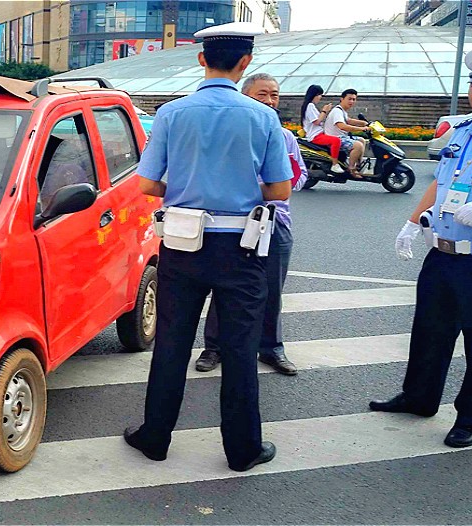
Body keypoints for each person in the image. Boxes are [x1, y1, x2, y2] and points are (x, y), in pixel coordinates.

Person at [124, 22, 292, 472]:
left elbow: (145, 184)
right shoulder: (263, 117)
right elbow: (280, 190)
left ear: (201, 59)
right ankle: (242, 450)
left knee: (172, 344)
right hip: (242, 247)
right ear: (245, 63)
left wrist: (187, 187)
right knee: (239, 349)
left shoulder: (171, 113)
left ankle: (154, 437)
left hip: (183, 243)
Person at [371, 46, 472, 449]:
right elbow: (441, 181)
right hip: (443, 253)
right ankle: (419, 397)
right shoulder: (464, 130)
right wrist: (412, 220)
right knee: (429, 332)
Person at [194, 72, 308, 376]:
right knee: (224, 285)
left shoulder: (285, 137)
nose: (270, 100)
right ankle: (214, 347)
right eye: (263, 94)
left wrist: (258, 187)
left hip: (275, 221)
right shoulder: (231, 133)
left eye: (274, 94)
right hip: (234, 222)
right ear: (244, 96)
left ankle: (271, 348)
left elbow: (299, 176)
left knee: (272, 290)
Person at [323, 89, 369, 178]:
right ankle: (351, 169)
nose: (352, 101)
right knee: (358, 145)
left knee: (362, 140)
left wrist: (364, 123)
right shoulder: (337, 111)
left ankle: (358, 165)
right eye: (349, 99)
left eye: (354, 99)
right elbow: (342, 126)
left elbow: (349, 120)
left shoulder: (342, 110)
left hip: (342, 137)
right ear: (342, 99)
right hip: (335, 139)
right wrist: (362, 128)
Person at [301, 84, 344, 174]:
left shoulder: (310, 106)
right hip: (316, 136)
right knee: (336, 141)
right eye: (319, 95)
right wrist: (324, 111)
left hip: (319, 134)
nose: (320, 97)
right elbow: (316, 121)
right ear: (314, 95)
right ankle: (335, 165)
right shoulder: (310, 106)